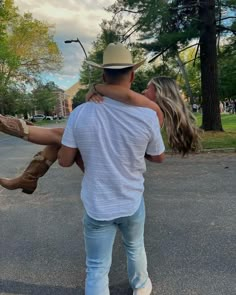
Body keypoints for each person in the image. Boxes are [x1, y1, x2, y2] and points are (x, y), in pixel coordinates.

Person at [57, 42, 165, 295]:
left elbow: (64, 160)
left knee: (96, 267)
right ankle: (140, 287)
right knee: (135, 246)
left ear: (104, 76)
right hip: (131, 200)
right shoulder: (147, 116)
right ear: (133, 75)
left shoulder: (80, 114)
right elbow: (158, 157)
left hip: (97, 204)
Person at [0, 62, 200, 195]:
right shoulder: (146, 112)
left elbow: (127, 96)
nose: (143, 90)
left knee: (61, 135)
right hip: (112, 168)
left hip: (108, 173)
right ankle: (28, 178)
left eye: (148, 88)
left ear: (159, 93)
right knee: (61, 139)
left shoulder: (153, 111)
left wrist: (97, 87)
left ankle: (10, 127)